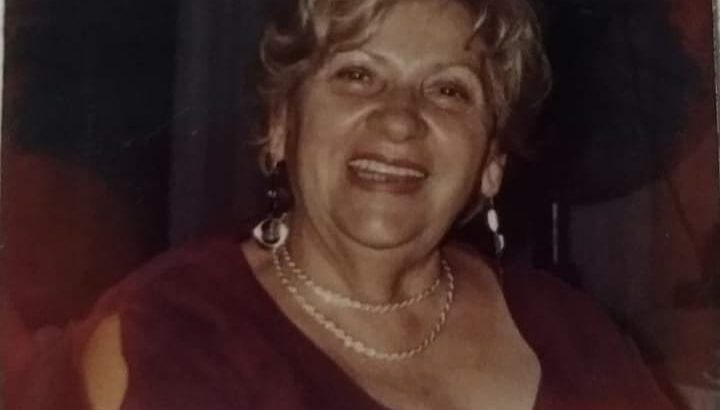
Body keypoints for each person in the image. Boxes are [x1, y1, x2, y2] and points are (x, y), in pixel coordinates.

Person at [14, 0, 681, 409]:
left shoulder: (573, 330)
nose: (400, 119)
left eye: (449, 90)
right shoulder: (178, 333)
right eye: (357, 74)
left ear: (491, 163)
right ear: (281, 125)